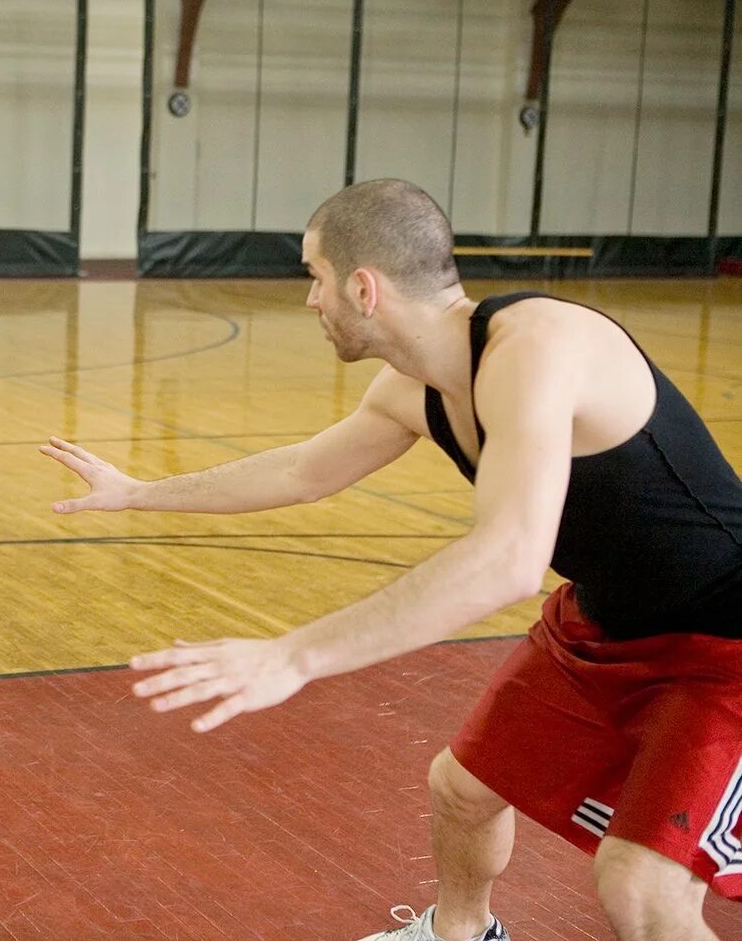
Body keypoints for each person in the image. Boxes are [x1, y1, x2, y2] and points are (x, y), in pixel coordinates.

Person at [41, 179, 742, 941]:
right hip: (607, 624)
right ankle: (461, 934)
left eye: (315, 277)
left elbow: (509, 559)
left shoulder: (537, 347)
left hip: (726, 635)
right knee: (462, 790)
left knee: (640, 888)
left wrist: (294, 656)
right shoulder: (416, 386)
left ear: (363, 287)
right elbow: (302, 473)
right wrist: (137, 493)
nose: (311, 300)